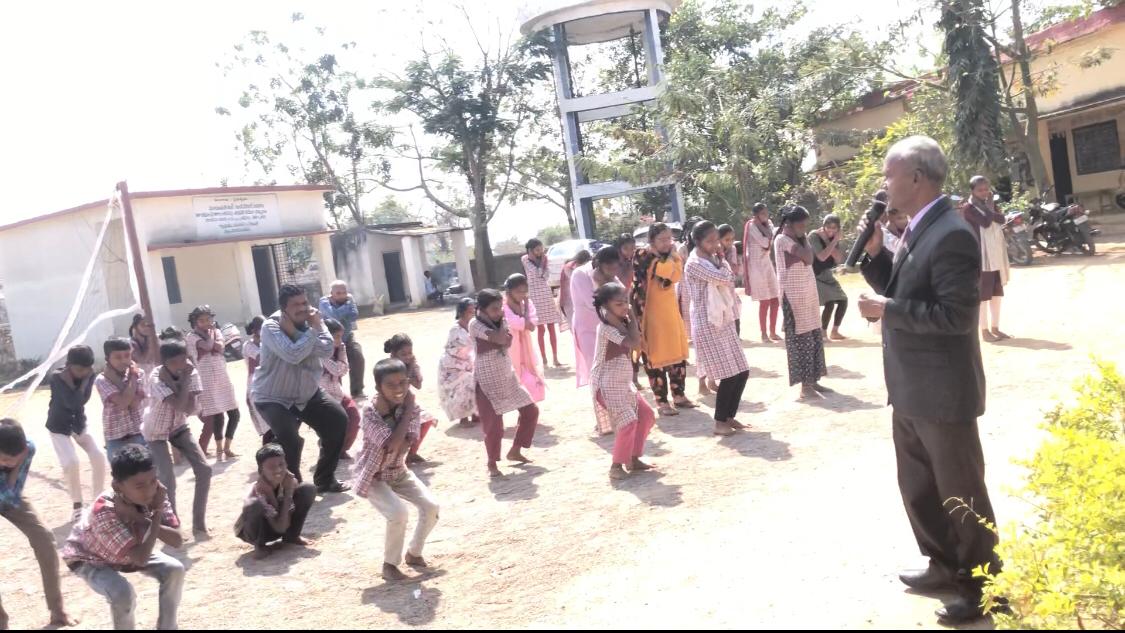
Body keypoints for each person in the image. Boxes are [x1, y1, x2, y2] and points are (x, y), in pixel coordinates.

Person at [856, 136, 1001, 625]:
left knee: (961, 494)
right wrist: (878, 261)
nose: (883, 184)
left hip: (943, 393)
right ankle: (944, 565)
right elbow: (905, 291)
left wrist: (888, 309)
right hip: (912, 388)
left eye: (888, 174)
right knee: (919, 487)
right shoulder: (921, 227)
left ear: (916, 178)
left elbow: (956, 317)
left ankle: (983, 588)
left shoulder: (952, 233)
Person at [63, 445, 185, 631]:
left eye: (153, 481)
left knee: (174, 569)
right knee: (122, 593)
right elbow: (141, 558)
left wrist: (146, 516)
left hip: (126, 554)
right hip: (90, 557)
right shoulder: (104, 511)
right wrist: (150, 518)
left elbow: (177, 540)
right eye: (139, 486)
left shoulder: (156, 495)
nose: (149, 490)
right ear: (117, 486)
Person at [252, 284, 350, 494]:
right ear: (284, 308)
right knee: (290, 439)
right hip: (273, 396)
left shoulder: (314, 319)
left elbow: (326, 349)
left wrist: (302, 333)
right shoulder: (271, 326)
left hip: (306, 393)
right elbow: (293, 355)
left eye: (304, 302)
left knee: (338, 420)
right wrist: (312, 332)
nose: (302, 308)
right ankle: (292, 487)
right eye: (295, 305)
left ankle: (325, 479)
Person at [353, 359, 440, 581]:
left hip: (397, 471)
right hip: (373, 475)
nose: (399, 389)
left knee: (431, 507)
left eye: (403, 383)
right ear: (378, 387)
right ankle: (389, 565)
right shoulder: (369, 412)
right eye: (391, 385)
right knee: (398, 513)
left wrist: (409, 410)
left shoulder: (411, 408)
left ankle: (414, 553)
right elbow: (392, 444)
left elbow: (405, 444)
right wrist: (409, 408)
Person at [0, 419, 77, 629]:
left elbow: (11, 495)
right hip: (5, 492)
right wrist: (11, 474)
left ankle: (58, 610)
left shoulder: (28, 449)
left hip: (9, 495)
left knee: (44, 539)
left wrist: (13, 470)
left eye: (15, 459)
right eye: (5, 459)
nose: (10, 463)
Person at [684, 221, 752, 436]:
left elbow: (729, 277)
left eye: (716, 240)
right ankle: (719, 422)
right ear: (698, 242)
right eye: (710, 241)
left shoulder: (714, 258)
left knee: (742, 370)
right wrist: (723, 262)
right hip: (708, 323)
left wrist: (722, 261)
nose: (715, 244)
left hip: (724, 319)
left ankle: (729, 416)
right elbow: (726, 277)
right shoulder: (694, 262)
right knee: (729, 374)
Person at [142, 338, 212, 536]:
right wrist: (185, 383)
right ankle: (172, 525)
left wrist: (183, 382)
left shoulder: (191, 371)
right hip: (156, 431)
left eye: (183, 360)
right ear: (164, 363)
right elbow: (181, 405)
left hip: (179, 426)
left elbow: (188, 409)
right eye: (174, 363)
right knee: (167, 479)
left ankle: (199, 524)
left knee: (205, 470)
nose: (180, 366)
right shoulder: (156, 378)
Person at [589, 283, 656, 480]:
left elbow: (638, 342)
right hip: (606, 384)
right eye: (619, 304)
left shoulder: (622, 323)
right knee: (628, 422)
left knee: (646, 415)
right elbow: (634, 343)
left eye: (626, 302)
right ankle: (616, 466)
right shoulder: (605, 328)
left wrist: (629, 318)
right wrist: (631, 319)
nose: (625, 307)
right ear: (605, 307)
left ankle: (633, 459)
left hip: (623, 382)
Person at [471, 289, 539, 478]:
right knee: (494, 427)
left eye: (500, 308)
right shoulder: (474, 324)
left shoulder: (501, 320)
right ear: (481, 311)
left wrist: (500, 323)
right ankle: (492, 463)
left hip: (507, 377)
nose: (500, 312)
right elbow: (501, 338)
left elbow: (506, 342)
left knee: (531, 411)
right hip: (486, 382)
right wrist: (501, 328)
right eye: (494, 309)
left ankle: (516, 449)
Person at [632, 223, 693, 417]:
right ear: (652, 241)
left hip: (670, 313)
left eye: (669, 239)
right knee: (655, 358)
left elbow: (676, 274)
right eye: (662, 239)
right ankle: (661, 401)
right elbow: (667, 271)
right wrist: (673, 258)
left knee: (677, 353)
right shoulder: (642, 256)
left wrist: (673, 258)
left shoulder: (668, 256)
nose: (667, 243)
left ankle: (679, 395)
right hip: (650, 315)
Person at [46, 344, 108, 522]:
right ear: (69, 365)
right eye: (79, 369)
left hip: (79, 423)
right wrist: (79, 386)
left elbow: (83, 400)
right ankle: (77, 505)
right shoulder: (57, 377)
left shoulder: (89, 375)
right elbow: (70, 403)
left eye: (87, 369)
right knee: (71, 462)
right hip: (59, 426)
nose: (83, 373)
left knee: (98, 455)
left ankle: (97, 500)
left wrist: (85, 381)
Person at [775, 206, 831, 399]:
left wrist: (803, 238)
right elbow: (808, 258)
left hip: (808, 295)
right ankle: (804, 386)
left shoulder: (798, 239)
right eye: (801, 224)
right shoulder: (782, 240)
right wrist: (805, 240)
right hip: (793, 297)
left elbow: (809, 258)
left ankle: (813, 380)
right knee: (801, 340)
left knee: (814, 335)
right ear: (789, 223)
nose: (804, 228)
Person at [234, 443, 316, 559]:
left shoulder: (288, 480)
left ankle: (292, 536)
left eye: (281, 464)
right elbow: (280, 527)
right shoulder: (258, 492)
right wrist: (288, 493)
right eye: (271, 467)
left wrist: (289, 490)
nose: (278, 470)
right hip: (257, 531)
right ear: (261, 470)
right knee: (254, 504)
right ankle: (259, 545)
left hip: (279, 522)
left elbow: (284, 517)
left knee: (307, 489)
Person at [185, 305, 240, 459]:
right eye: (201, 320)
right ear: (195, 322)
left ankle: (227, 446)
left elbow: (220, 349)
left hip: (222, 377)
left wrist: (213, 339)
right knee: (218, 417)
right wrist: (211, 338)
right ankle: (219, 449)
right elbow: (210, 346)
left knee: (234, 413)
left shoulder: (216, 332)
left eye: (208, 319)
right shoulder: (192, 337)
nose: (206, 323)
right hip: (206, 380)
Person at [962, 175, 1011, 342]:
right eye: (980, 190)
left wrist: (990, 211)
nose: (984, 192)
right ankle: (984, 331)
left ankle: (996, 328)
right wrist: (991, 211)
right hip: (981, 256)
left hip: (995, 254)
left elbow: (1002, 219)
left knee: (997, 293)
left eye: (986, 189)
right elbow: (986, 222)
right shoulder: (968, 208)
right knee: (983, 295)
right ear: (972, 191)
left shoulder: (989, 204)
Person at [569, 246, 623, 387]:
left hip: (608, 328)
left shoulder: (610, 274)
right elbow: (593, 303)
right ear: (599, 264)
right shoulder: (579, 274)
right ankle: (601, 405)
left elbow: (623, 294)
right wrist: (600, 283)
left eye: (615, 269)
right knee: (596, 369)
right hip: (587, 329)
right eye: (609, 269)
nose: (613, 273)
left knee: (613, 368)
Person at [383, 334, 438, 465]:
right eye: (403, 354)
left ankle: (411, 454)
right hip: (391, 405)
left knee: (426, 420)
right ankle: (398, 457)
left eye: (410, 353)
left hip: (407, 402)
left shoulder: (412, 365)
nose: (407, 357)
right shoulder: (388, 367)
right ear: (393, 354)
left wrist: (413, 366)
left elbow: (418, 385)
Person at [97, 337, 148, 459]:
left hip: (138, 433)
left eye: (127, 355)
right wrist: (133, 378)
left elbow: (134, 404)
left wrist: (133, 376)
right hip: (116, 437)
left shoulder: (139, 373)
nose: (124, 360)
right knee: (121, 475)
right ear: (107, 359)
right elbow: (123, 403)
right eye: (118, 357)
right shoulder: (102, 380)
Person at [321, 319, 362, 461]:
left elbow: (342, 369)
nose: (339, 340)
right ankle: (327, 449)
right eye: (336, 337)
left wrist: (329, 359)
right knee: (332, 425)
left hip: (336, 391)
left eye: (340, 336)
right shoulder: (315, 351)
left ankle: (342, 449)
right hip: (319, 395)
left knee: (354, 416)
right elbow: (337, 368)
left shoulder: (341, 347)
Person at [503, 274, 547, 403]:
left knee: (531, 373)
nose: (521, 295)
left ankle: (529, 404)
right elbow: (516, 323)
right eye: (517, 292)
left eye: (524, 291)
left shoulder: (528, 304)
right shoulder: (502, 307)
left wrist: (526, 308)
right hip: (511, 347)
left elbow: (532, 326)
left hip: (526, 345)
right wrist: (525, 317)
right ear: (509, 292)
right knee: (513, 375)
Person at [319, 281, 366, 399]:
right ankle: (334, 394)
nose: (342, 295)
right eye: (338, 293)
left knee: (357, 356)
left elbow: (354, 315)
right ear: (331, 294)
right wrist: (346, 307)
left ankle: (357, 391)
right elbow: (332, 315)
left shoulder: (349, 299)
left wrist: (339, 312)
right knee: (331, 368)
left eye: (344, 292)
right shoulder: (324, 301)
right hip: (328, 340)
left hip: (347, 336)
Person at [521, 239, 565, 367]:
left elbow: (545, 276)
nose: (541, 252)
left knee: (552, 328)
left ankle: (555, 358)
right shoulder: (525, 259)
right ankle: (544, 358)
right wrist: (543, 264)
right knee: (541, 329)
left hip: (546, 294)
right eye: (538, 250)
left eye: (542, 249)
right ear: (530, 250)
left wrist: (543, 264)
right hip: (535, 297)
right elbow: (536, 273)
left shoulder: (544, 260)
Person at [438, 298, 480, 428]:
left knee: (476, 384)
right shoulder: (455, 330)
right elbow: (457, 349)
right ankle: (463, 418)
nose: (473, 314)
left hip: (467, 362)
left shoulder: (473, 326)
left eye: (474, 311)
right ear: (461, 313)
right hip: (452, 366)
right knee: (462, 387)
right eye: (470, 312)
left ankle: (475, 414)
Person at [743, 203, 782, 343]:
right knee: (764, 301)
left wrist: (768, 236)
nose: (766, 216)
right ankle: (764, 333)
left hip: (766, 263)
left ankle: (773, 331)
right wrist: (768, 236)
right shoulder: (751, 225)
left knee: (775, 299)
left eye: (766, 213)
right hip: (756, 266)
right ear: (756, 215)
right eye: (762, 213)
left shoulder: (768, 223)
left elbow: (772, 236)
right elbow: (765, 242)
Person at [809, 214, 850, 341]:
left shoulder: (833, 239)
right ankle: (823, 333)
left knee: (843, 300)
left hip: (826, 274)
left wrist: (830, 241)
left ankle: (835, 331)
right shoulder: (814, 236)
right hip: (814, 274)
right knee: (830, 302)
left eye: (834, 228)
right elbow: (822, 256)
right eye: (828, 228)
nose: (831, 231)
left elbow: (838, 258)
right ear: (823, 226)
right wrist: (832, 241)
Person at [242, 316, 272, 442]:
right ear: (255, 330)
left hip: (270, 383)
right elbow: (263, 359)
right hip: (257, 386)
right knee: (267, 427)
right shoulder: (248, 345)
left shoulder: (268, 342)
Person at [718, 224, 743, 335]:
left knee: (734, 311)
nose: (730, 242)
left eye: (732, 239)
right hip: (719, 289)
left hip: (730, 286)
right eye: (727, 239)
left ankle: (736, 336)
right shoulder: (715, 250)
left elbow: (734, 269)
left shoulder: (732, 249)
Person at [557, 249, 592, 327]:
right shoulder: (569, 268)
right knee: (575, 325)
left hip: (575, 298)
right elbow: (579, 281)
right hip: (568, 300)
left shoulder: (575, 266)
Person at [128, 314, 160, 378]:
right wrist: (151, 342)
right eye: (143, 325)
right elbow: (143, 361)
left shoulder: (153, 339)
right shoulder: (131, 344)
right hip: (140, 379)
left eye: (148, 325)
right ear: (136, 327)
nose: (146, 327)